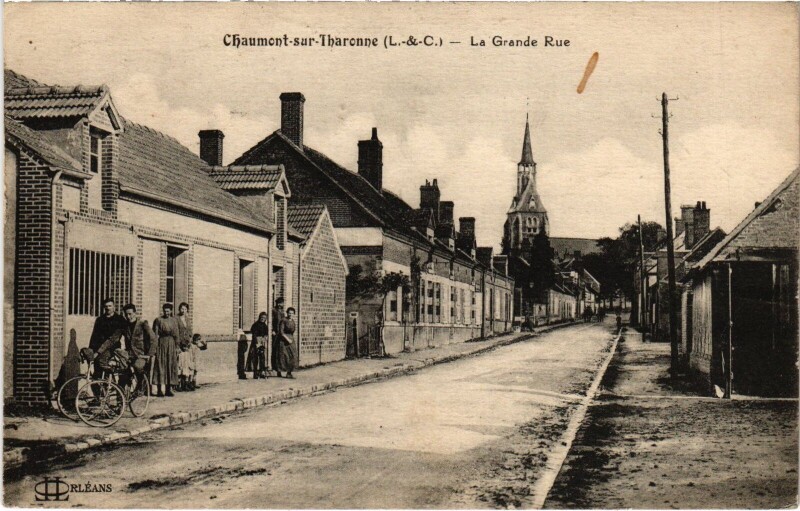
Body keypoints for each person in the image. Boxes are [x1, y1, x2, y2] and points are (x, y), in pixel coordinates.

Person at [153, 303, 180, 397]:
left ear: (171, 311)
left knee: (170, 364)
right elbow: (155, 334)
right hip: (161, 344)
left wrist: (177, 347)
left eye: (168, 311)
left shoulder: (174, 321)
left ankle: (169, 389)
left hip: (171, 344)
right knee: (161, 365)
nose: (166, 312)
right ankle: (160, 389)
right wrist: (155, 347)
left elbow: (176, 334)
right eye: (165, 311)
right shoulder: (158, 320)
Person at [176, 302, 193, 391]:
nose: (183, 311)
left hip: (187, 345)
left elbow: (190, 331)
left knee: (186, 364)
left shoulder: (187, 319)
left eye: (185, 309)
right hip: (179, 345)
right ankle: (178, 384)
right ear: (179, 309)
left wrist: (189, 340)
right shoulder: (176, 319)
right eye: (182, 309)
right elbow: (176, 332)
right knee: (180, 364)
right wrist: (178, 344)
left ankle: (185, 383)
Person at [276, 307, 297, 379]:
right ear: (287, 313)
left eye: (292, 313)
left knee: (293, 356)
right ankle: (279, 371)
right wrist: (287, 339)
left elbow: (293, 331)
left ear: (294, 314)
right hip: (283, 340)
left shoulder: (293, 321)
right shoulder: (283, 320)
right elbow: (281, 332)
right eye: (289, 313)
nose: (290, 314)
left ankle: (289, 372)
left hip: (291, 340)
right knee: (283, 356)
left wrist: (291, 339)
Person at [248, 312, 269, 379]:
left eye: (264, 318)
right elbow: (254, 335)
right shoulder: (255, 325)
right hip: (256, 343)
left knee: (262, 357)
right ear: (259, 317)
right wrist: (257, 343)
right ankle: (255, 373)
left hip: (262, 343)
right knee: (255, 358)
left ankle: (262, 372)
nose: (263, 319)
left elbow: (266, 334)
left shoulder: (265, 326)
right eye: (262, 317)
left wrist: (265, 339)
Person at [271, 298, 285, 377]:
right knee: (275, 351)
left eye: (281, 303)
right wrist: (272, 330)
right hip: (275, 333)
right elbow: (272, 321)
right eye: (279, 303)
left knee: (280, 352)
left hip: (281, 334)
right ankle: (275, 368)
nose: (280, 305)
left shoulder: (282, 312)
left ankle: (280, 369)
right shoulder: (274, 311)